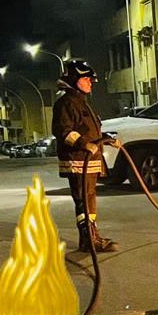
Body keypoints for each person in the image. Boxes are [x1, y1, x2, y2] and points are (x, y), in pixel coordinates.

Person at [51, 59, 119, 253]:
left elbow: (88, 130)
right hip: (78, 160)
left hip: (88, 160)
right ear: (75, 80)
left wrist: (107, 138)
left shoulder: (81, 102)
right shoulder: (66, 103)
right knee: (83, 200)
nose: (91, 83)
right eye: (87, 79)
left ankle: (91, 237)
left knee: (89, 199)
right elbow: (63, 131)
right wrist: (84, 144)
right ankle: (88, 239)